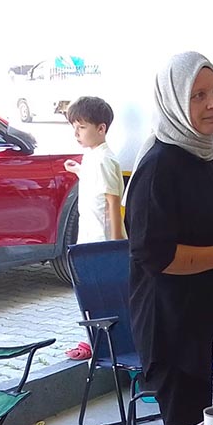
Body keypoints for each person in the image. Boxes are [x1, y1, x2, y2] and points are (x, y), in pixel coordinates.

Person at [125, 52, 213, 425]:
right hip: (177, 334)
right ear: (174, 100)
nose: (212, 104)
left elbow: (200, 225)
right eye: (198, 95)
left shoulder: (203, 153)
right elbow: (156, 253)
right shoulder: (158, 166)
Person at [63, 95, 125, 361]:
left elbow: (112, 204)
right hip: (88, 241)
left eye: (82, 127)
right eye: (74, 127)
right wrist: (79, 170)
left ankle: (98, 344)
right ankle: (95, 341)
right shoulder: (92, 156)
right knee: (89, 295)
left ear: (101, 128)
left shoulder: (105, 160)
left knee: (101, 298)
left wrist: (114, 246)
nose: (77, 133)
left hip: (101, 243)